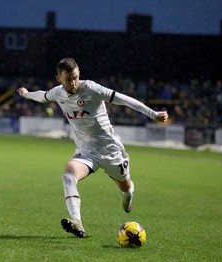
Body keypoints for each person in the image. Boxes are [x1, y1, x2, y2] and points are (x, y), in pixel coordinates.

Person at [17, 58, 168, 238]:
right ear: (58, 78)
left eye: (75, 77)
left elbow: (124, 99)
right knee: (68, 174)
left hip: (111, 150)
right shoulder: (57, 93)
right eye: (68, 79)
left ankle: (127, 195)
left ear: (79, 72)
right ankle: (77, 222)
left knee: (126, 187)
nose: (73, 83)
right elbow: (42, 96)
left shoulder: (91, 88)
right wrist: (26, 94)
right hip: (86, 151)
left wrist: (153, 114)